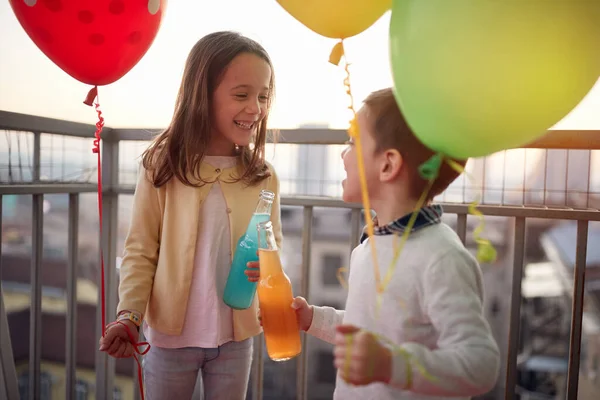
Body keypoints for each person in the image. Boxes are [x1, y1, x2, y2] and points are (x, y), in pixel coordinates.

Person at [249, 87, 500, 399]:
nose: (343, 154)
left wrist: (390, 365)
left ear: (388, 165)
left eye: (353, 142)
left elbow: (480, 364)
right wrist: (312, 318)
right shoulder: (371, 245)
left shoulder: (442, 258)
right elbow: (370, 327)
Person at [99, 31, 282, 400]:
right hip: (169, 339)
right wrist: (130, 314)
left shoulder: (264, 176)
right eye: (242, 95)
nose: (256, 108)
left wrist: (268, 268)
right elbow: (140, 250)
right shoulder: (161, 166)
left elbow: (272, 249)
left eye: (262, 96)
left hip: (236, 339)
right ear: (203, 94)